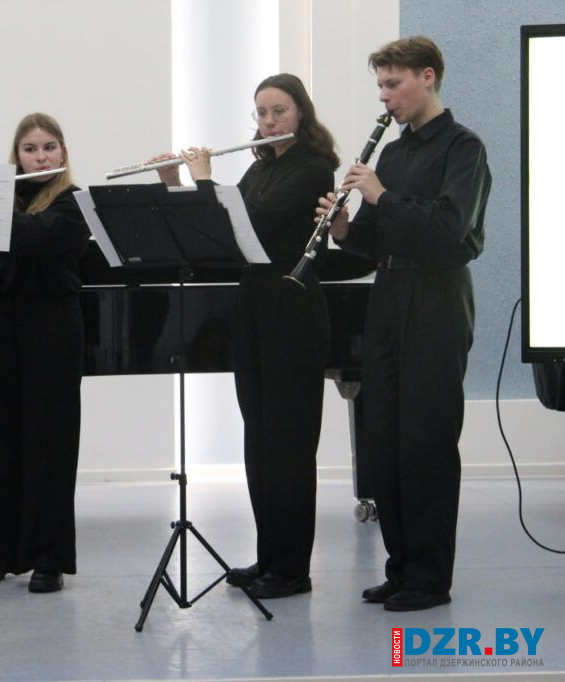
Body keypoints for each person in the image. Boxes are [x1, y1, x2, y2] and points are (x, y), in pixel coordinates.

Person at [320, 36, 491, 611]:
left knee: (427, 441)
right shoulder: (393, 154)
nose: (385, 96)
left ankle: (429, 578)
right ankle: (400, 567)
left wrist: (380, 196)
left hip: (438, 296)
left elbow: (447, 230)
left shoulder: (464, 149)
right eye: (380, 85)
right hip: (389, 296)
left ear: (428, 76)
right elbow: (376, 242)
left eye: (393, 84)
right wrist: (345, 229)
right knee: (385, 439)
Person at [152, 74, 339, 599]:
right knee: (259, 439)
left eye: (279, 111)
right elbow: (215, 234)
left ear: (301, 113)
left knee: (288, 444)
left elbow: (250, 222)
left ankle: (292, 569)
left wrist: (204, 179)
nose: (269, 122)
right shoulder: (260, 168)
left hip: (293, 310)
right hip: (254, 307)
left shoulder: (313, 167)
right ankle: (270, 558)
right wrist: (175, 184)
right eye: (261, 113)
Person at [0, 113, 90, 594]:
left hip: (53, 327)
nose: (40, 157)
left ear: (63, 152)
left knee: (49, 442)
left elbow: (37, 238)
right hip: (4, 325)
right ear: (16, 155)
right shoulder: (4, 200)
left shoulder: (74, 202)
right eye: (30, 149)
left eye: (49, 147)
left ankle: (48, 557)